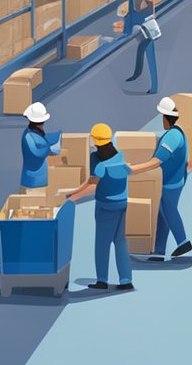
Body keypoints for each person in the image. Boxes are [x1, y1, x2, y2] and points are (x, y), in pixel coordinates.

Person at [65, 123, 133, 290]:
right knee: (120, 241)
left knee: (101, 243)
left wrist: (72, 198)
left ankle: (102, 280)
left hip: (105, 206)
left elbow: (93, 185)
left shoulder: (97, 161)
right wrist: (74, 191)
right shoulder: (120, 157)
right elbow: (90, 181)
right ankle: (126, 280)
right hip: (122, 203)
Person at [127, 97, 192, 262]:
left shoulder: (171, 137)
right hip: (176, 179)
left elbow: (156, 162)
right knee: (162, 214)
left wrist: (131, 169)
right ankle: (159, 251)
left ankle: (183, 240)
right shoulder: (179, 133)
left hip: (169, 182)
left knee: (168, 210)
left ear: (165, 117)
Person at [123, 0, 161, 94]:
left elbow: (134, 14)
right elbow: (151, 11)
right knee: (141, 50)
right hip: (145, 24)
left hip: (145, 27)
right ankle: (137, 73)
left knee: (149, 55)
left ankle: (154, 88)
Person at [19, 102, 61, 194]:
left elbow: (43, 140)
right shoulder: (29, 136)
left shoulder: (34, 133)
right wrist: (52, 149)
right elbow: (39, 152)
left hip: (39, 180)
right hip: (32, 182)